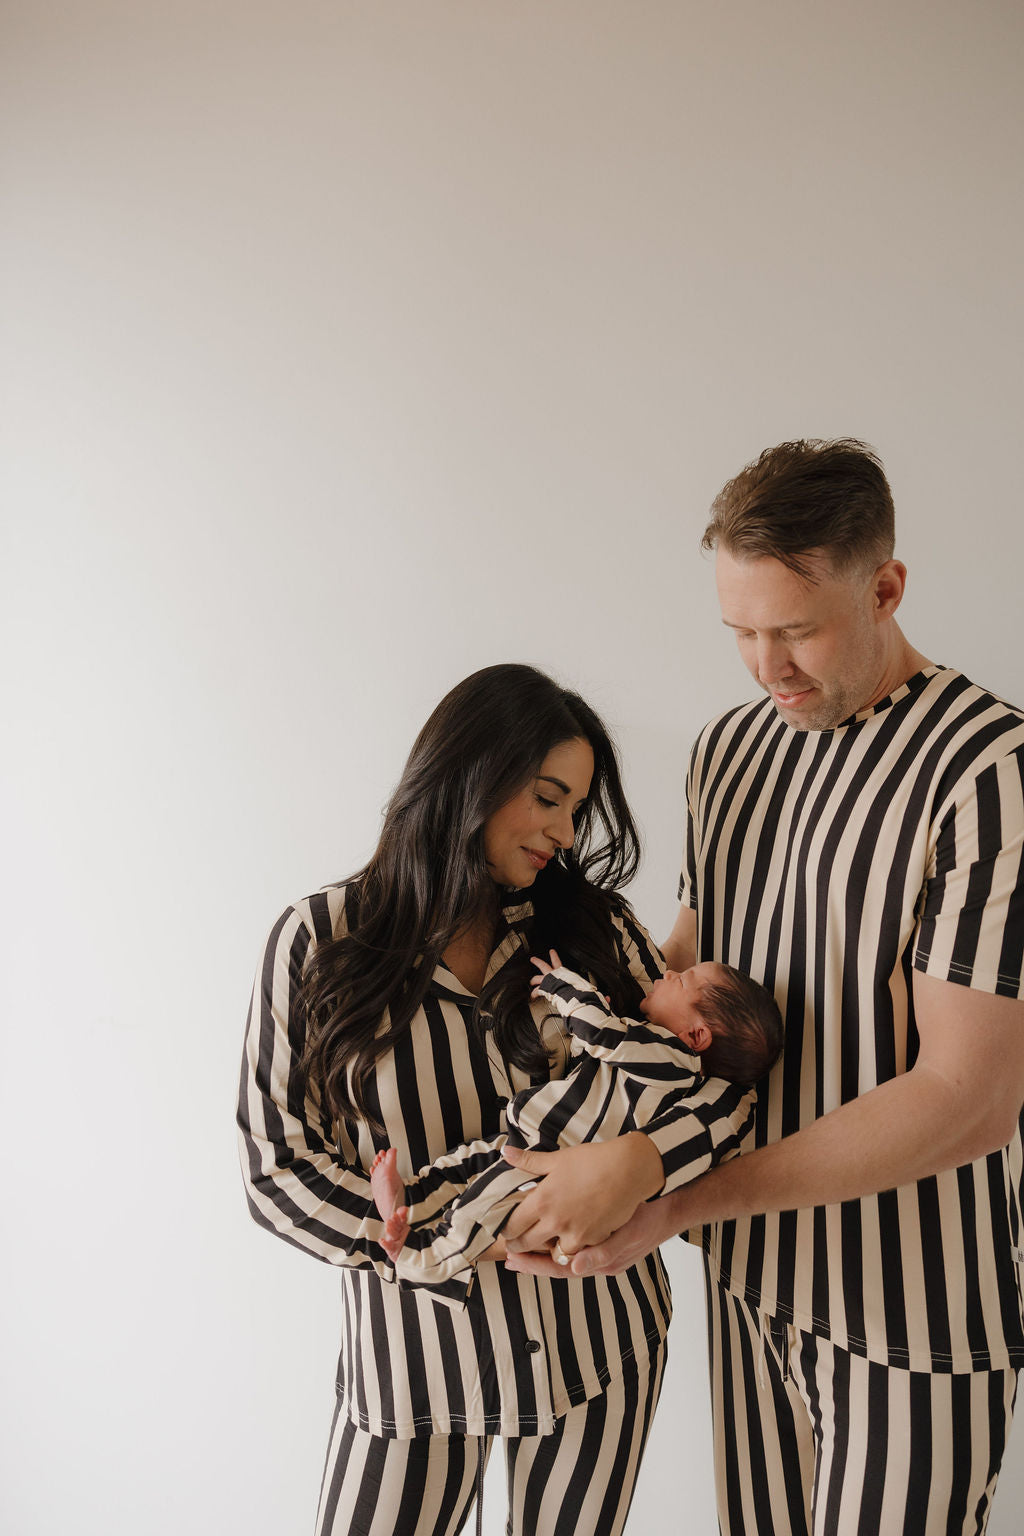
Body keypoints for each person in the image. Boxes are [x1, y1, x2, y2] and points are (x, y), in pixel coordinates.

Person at [498, 442, 1024, 1536]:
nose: (765, 666)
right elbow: (684, 974)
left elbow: (969, 1097)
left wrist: (668, 1198)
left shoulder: (989, 771)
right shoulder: (727, 752)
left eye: (795, 630)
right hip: (747, 1281)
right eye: (740, 632)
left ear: (884, 588)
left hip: (907, 1315)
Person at [237, 662, 754, 1536]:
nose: (563, 829)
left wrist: (637, 1162)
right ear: (471, 773)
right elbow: (277, 1167)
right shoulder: (318, 942)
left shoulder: (595, 931)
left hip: (600, 1351)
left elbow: (718, 1093)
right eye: (547, 797)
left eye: (577, 808)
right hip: (414, 1372)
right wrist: (419, 1237)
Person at [369, 951, 781, 1286]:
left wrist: (560, 985)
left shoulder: (673, 1060)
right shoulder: (657, 1058)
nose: (670, 971)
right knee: (464, 1164)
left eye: (684, 980)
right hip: (533, 1141)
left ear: (696, 1036)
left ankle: (419, 1259)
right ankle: (411, 1198)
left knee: (479, 1207)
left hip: (554, 1159)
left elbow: (600, 1032)